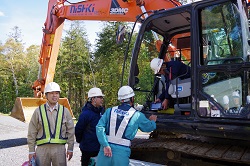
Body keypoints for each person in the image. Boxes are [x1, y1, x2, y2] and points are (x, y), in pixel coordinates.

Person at [95, 85, 157, 166]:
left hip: (105, 150)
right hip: (121, 153)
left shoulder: (110, 111)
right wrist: (152, 121)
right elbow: (149, 127)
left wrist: (105, 145)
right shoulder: (137, 115)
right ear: (132, 98)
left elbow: (99, 127)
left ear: (121, 99)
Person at [27, 82, 74, 166]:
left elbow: (70, 131)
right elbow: (32, 131)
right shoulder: (38, 111)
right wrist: (31, 150)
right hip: (42, 149)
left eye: (56, 93)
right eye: (51, 93)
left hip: (59, 149)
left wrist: (70, 148)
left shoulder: (65, 111)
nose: (54, 95)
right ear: (46, 95)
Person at [75, 87, 105, 166]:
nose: (102, 99)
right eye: (100, 97)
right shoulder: (86, 114)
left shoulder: (101, 112)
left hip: (99, 149)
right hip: (88, 150)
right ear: (93, 99)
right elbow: (78, 129)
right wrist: (82, 141)